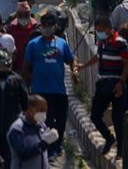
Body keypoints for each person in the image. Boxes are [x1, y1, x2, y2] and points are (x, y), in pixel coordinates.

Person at [23, 12, 76, 156]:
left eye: (49, 25)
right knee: (46, 120)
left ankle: (57, 146)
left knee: (61, 120)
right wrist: (26, 87)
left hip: (58, 89)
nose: (46, 28)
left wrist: (74, 70)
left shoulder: (62, 43)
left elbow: (71, 60)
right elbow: (26, 66)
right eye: (44, 25)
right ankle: (48, 147)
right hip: (40, 90)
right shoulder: (33, 45)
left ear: (55, 26)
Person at [76, 15, 128, 155]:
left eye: (100, 30)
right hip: (103, 83)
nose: (98, 33)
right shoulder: (102, 43)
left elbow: (127, 63)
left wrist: (121, 83)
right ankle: (109, 138)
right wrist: (83, 66)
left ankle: (121, 149)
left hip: (116, 83)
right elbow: (97, 57)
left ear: (109, 29)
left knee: (117, 118)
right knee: (95, 116)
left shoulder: (120, 42)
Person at [6, 94, 58, 169]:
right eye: (41, 110)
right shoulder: (17, 129)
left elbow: (43, 154)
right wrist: (45, 142)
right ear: (30, 109)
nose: (43, 113)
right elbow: (23, 154)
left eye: (45, 110)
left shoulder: (41, 125)